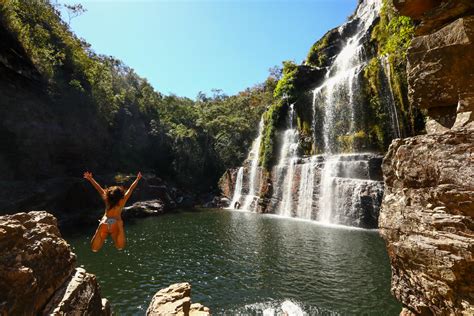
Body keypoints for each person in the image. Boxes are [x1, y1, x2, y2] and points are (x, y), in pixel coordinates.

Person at [83, 171, 142, 252]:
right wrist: (137, 179)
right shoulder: (122, 200)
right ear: (120, 195)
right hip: (116, 222)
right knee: (120, 247)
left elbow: (98, 188)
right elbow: (131, 188)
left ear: (109, 195)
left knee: (94, 249)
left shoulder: (107, 199)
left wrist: (90, 179)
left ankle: (99, 229)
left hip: (105, 221)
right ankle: (120, 227)